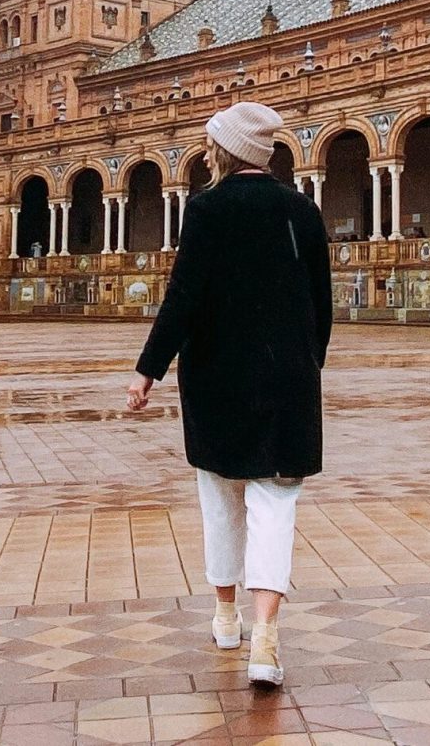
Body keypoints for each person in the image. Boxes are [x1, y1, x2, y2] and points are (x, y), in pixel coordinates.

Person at [127, 103, 332, 687]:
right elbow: (322, 307)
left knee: (220, 500)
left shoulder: (207, 210)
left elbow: (183, 299)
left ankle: (225, 615)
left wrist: (148, 370)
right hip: (288, 383)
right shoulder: (303, 211)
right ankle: (266, 638)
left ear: (224, 152)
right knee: (275, 508)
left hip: (217, 380)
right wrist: (303, 363)